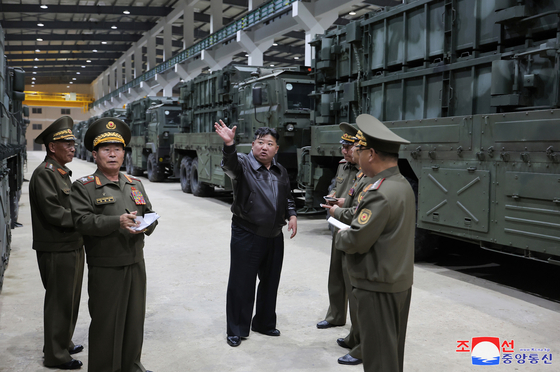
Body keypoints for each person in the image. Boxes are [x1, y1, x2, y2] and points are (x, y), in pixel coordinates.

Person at [70, 118, 158, 372]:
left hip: (135, 262)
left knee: (134, 320)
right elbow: (82, 221)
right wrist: (116, 221)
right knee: (106, 324)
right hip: (106, 265)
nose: (112, 154)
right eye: (106, 149)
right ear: (95, 155)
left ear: (123, 153)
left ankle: (131, 365)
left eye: (117, 149)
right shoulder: (85, 187)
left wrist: (148, 223)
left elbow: (148, 212)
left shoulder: (135, 184)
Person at [334, 114, 415, 372]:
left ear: (371, 154)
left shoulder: (379, 193)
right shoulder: (400, 184)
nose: (355, 155)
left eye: (358, 149)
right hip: (396, 280)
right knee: (390, 354)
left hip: (377, 284)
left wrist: (340, 235)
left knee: (379, 358)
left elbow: (357, 239)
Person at [214, 119, 297, 348]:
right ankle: (236, 329)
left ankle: (264, 322)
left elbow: (288, 197)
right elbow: (229, 165)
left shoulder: (280, 171)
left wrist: (292, 215)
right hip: (247, 232)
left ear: (276, 149)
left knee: (270, 282)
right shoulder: (243, 164)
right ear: (252, 145)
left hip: (274, 235)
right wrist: (229, 145)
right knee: (242, 282)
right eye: (260, 142)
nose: (264, 147)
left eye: (270, 144)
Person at [29, 116, 85, 370]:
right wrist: (87, 220)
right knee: (59, 301)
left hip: (71, 244)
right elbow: (55, 213)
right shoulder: (45, 174)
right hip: (56, 247)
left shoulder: (62, 173)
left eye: (73, 143)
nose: (73, 147)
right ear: (52, 147)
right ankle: (55, 355)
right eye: (67, 143)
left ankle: (63, 341)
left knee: (70, 299)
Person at [317, 123, 359, 333]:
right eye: (343, 146)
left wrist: (344, 204)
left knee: (352, 278)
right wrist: (333, 195)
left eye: (349, 146)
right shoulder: (342, 165)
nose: (344, 151)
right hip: (338, 226)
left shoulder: (366, 170)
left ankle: (357, 329)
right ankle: (335, 316)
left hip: (355, 230)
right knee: (336, 274)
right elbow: (338, 186)